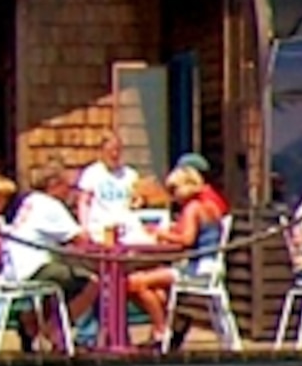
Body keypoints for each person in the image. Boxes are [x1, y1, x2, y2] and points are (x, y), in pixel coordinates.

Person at [131, 155, 231, 349]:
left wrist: (161, 233)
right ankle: (172, 324)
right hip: (211, 267)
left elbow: (186, 240)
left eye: (173, 190)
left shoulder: (192, 208)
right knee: (156, 290)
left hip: (196, 269)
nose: (172, 196)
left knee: (135, 283)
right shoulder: (209, 205)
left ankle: (161, 331)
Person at [2, 166, 96, 348]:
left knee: (60, 283)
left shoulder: (30, 201)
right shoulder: (50, 205)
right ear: (54, 185)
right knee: (92, 282)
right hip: (33, 267)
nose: (70, 192)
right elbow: (81, 239)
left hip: (13, 270)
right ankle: (56, 331)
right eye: (67, 186)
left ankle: (30, 323)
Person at [75, 125, 136, 240]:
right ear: (102, 151)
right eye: (110, 151)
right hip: (100, 229)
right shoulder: (92, 173)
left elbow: (136, 200)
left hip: (125, 229)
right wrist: (84, 227)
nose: (114, 155)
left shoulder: (130, 174)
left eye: (117, 150)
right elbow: (84, 202)